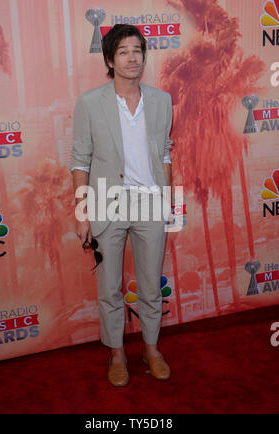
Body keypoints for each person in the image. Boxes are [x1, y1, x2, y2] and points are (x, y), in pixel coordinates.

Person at [70, 24, 173, 387]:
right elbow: (80, 160)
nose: (132, 57)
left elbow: (164, 152)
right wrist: (82, 211)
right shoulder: (90, 102)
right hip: (107, 204)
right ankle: (116, 353)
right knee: (110, 287)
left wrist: (166, 197)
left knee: (149, 285)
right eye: (124, 51)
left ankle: (151, 348)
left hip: (149, 204)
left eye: (137, 50)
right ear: (110, 59)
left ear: (144, 56)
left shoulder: (162, 100)